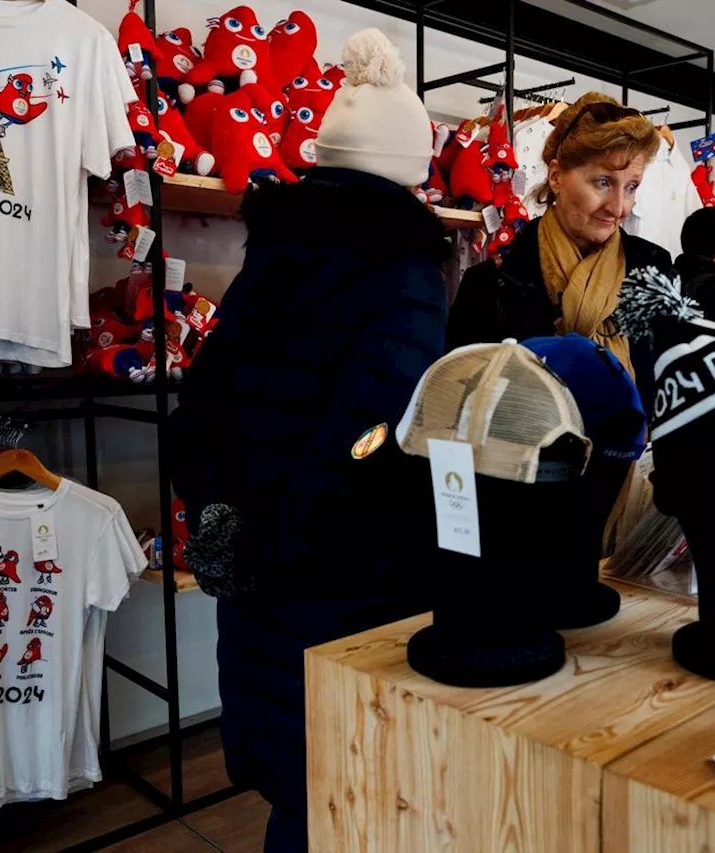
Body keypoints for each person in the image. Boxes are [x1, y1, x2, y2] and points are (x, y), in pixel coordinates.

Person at [168, 30, 446, 853]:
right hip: (345, 587)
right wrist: (298, 539)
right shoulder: (401, 265)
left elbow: (202, 404)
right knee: (351, 800)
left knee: (296, 799)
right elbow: (373, 433)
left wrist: (232, 539)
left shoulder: (278, 250)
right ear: (410, 168)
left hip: (261, 582)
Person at [446, 92, 672, 406]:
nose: (619, 207)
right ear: (555, 176)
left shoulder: (656, 274)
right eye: (603, 182)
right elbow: (459, 408)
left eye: (631, 187)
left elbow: (673, 395)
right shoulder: (491, 284)